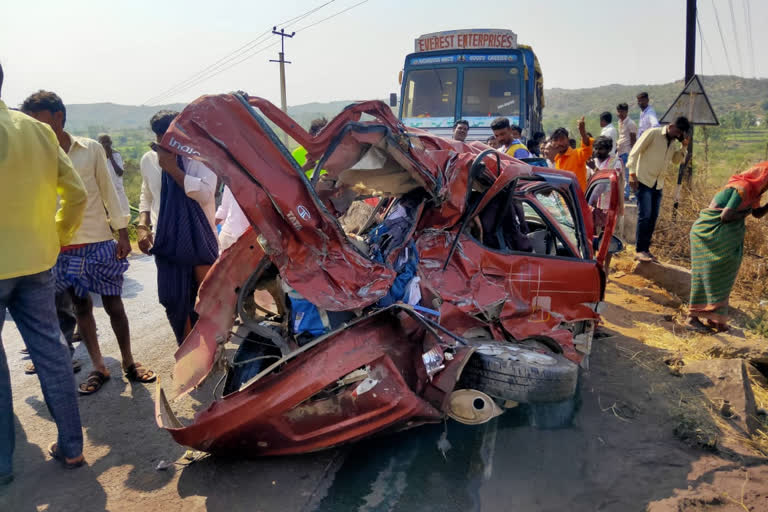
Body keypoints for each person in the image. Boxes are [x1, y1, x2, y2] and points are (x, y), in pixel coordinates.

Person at [22, 90, 156, 395]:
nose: (33, 126)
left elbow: (109, 190)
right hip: (59, 246)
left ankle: (129, 362)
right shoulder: (34, 153)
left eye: (38, 119)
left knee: (114, 305)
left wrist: (122, 232)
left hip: (98, 240)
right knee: (81, 308)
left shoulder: (90, 149)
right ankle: (99, 366)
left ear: (58, 116)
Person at [0, 65, 87, 480]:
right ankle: (71, 447)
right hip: (37, 260)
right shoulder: (37, 130)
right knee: (52, 351)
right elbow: (77, 194)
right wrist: (56, 235)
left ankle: (2, 462)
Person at [137, 110, 219, 344]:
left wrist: (173, 169)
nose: (165, 143)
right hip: (167, 241)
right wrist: (142, 224)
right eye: (160, 137)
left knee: (204, 301)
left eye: (170, 136)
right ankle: (187, 351)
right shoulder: (148, 160)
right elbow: (147, 194)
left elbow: (204, 194)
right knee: (173, 300)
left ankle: (210, 353)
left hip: (200, 238)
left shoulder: (202, 157)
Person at [685, 163, 768, 332]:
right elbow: (726, 216)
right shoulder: (743, 187)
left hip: (723, 237)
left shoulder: (755, 192)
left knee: (724, 276)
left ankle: (715, 319)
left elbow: (757, 213)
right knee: (706, 275)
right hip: (709, 234)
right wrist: (746, 213)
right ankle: (692, 318)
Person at [627, 116, 690, 262]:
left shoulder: (673, 142)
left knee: (653, 217)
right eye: (678, 131)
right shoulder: (653, 133)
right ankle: (640, 250)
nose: (678, 135)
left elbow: (675, 161)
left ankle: (646, 249)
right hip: (644, 180)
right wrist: (631, 173)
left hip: (658, 183)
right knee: (645, 215)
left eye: (681, 133)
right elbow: (635, 152)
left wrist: (684, 147)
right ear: (671, 125)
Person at [551, 117, 593, 191]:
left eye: (562, 139)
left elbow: (587, 148)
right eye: (556, 140)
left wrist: (583, 132)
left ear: (568, 140)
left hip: (577, 201)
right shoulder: (557, 159)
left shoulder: (576, 154)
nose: (559, 143)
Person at [98, 134, 130, 217]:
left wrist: (111, 157)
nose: (106, 144)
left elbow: (120, 172)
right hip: (105, 195)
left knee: (123, 217)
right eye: (103, 142)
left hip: (118, 193)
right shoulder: (98, 157)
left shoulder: (116, 155)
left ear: (111, 143)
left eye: (107, 142)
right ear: (99, 144)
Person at [215, 186, 250, 252]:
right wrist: (208, 228)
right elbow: (224, 209)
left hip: (237, 233)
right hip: (230, 230)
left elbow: (225, 210)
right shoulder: (229, 181)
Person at [616, 103, 638, 201]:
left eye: (622, 111)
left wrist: (632, 154)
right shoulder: (619, 122)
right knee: (620, 174)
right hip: (620, 151)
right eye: (619, 111)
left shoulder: (631, 123)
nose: (620, 113)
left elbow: (633, 139)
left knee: (627, 173)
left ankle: (626, 194)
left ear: (626, 112)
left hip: (627, 151)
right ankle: (623, 193)